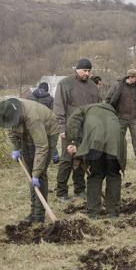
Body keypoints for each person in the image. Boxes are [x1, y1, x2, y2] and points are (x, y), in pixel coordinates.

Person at [0, 98, 59, 223]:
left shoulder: (33, 118)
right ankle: (33, 211)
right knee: (30, 172)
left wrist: (36, 174)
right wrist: (16, 148)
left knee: (39, 175)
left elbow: (42, 147)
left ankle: (39, 215)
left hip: (47, 132)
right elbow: (11, 130)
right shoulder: (7, 111)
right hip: (27, 133)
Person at [53, 58, 102, 202]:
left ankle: (80, 190)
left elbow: (98, 107)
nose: (87, 73)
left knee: (82, 159)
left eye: (89, 71)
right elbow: (58, 107)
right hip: (70, 129)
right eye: (84, 70)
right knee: (67, 160)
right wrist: (61, 128)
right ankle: (61, 192)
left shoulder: (93, 86)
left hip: (87, 130)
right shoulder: (65, 84)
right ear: (77, 69)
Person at [66, 103, 126, 218]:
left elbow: (72, 122)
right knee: (113, 174)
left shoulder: (83, 109)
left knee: (96, 175)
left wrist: (73, 142)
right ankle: (113, 212)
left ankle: (93, 212)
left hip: (95, 144)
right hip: (115, 145)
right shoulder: (112, 112)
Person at [105, 69, 136, 167]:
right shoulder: (117, 85)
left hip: (134, 118)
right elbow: (108, 99)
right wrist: (109, 112)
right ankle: (119, 159)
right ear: (130, 77)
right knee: (119, 140)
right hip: (120, 118)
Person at [26, 82, 59, 163]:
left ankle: (33, 158)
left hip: (31, 123)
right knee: (49, 140)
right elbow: (53, 112)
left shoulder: (29, 97)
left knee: (32, 140)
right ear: (47, 89)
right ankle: (55, 157)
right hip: (45, 123)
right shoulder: (50, 99)